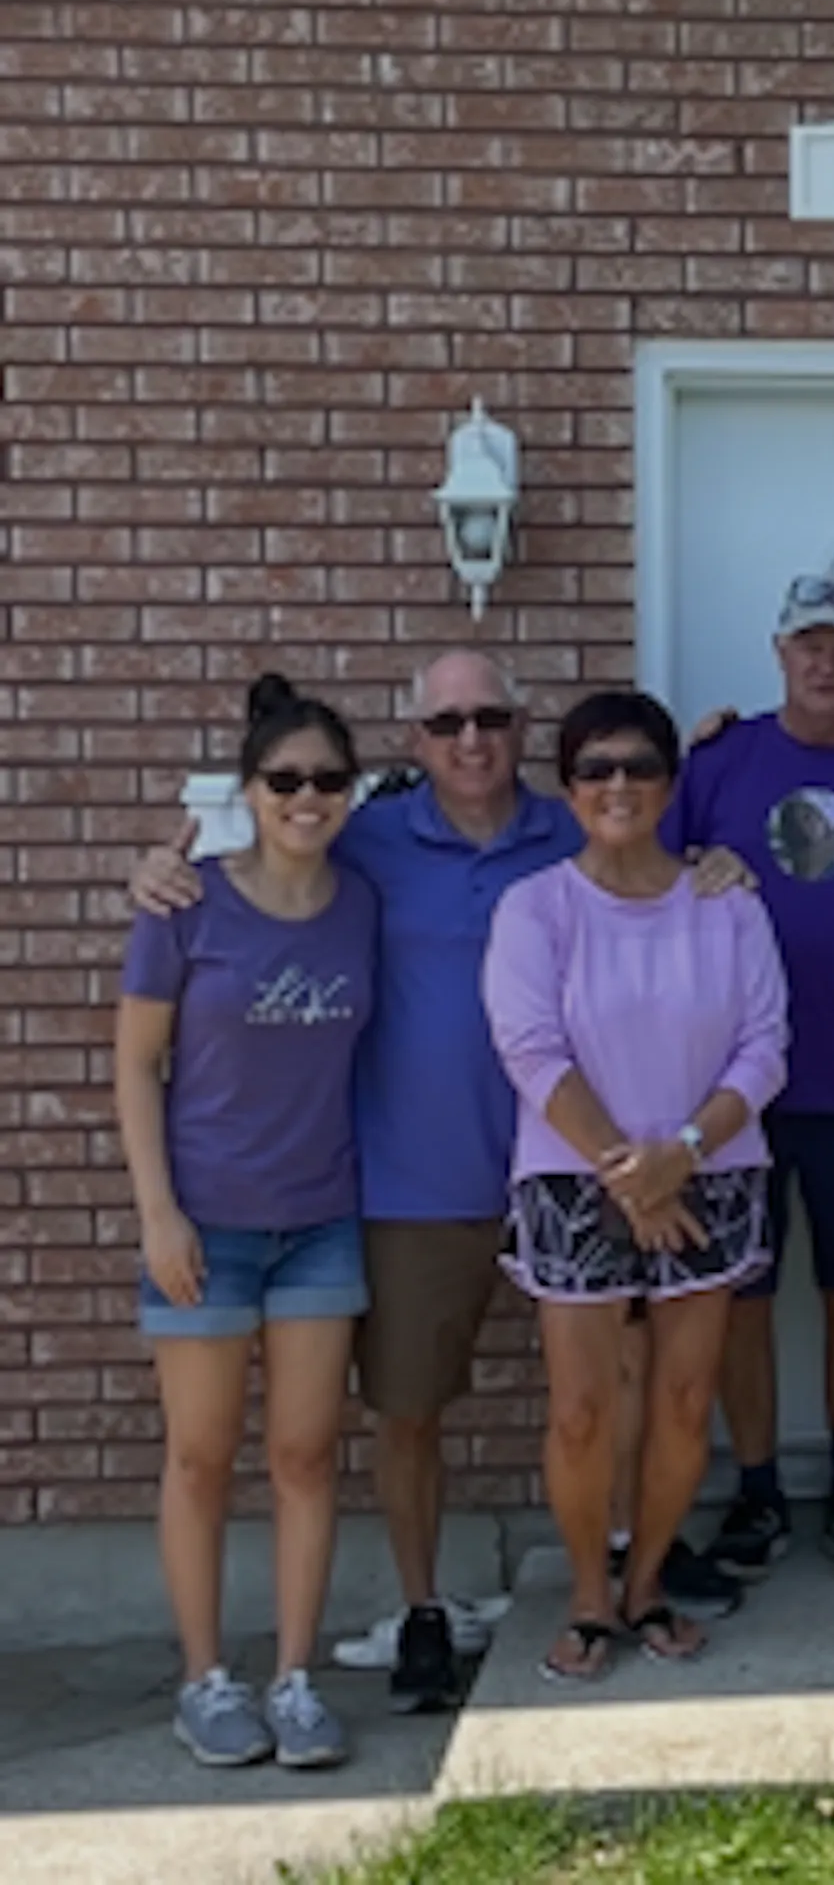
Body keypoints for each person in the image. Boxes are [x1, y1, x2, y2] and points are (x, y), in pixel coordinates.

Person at [129, 650, 743, 1710]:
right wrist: (159, 872)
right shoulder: (362, 834)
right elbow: (272, 852)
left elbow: (664, 877)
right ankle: (421, 1608)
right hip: (414, 1178)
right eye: (448, 723)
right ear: (414, 741)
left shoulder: (573, 824)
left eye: (492, 719)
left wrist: (724, 861)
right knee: (407, 1408)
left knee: (625, 1377)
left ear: (521, 728)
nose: (472, 740)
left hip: (573, 1166)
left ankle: (628, 1557)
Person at [482, 691, 788, 1681]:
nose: (619, 785)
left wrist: (682, 1155)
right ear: (568, 787)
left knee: (685, 1402)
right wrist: (631, 1172)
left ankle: (648, 1583)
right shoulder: (535, 908)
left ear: (671, 782)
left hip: (710, 1174)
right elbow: (531, 1049)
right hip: (575, 1182)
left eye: (640, 766)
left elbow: (765, 1047)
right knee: (582, 1410)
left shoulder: (728, 903)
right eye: (596, 768)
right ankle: (588, 1596)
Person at [116, 674, 377, 1769]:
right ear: (250, 789)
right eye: (285, 780)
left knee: (306, 1456)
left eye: (328, 780)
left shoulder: (364, 902)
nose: (307, 798)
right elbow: (136, 1066)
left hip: (321, 1218)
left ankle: (297, 1679)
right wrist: (159, 1215)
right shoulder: (185, 905)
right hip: (206, 1225)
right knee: (202, 1459)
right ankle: (205, 1680)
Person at [662, 577, 834, 1582]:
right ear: (779, 652)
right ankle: (757, 1491)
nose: (826, 663)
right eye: (808, 645)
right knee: (740, 1296)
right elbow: (644, 884)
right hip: (734, 1092)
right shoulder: (718, 764)